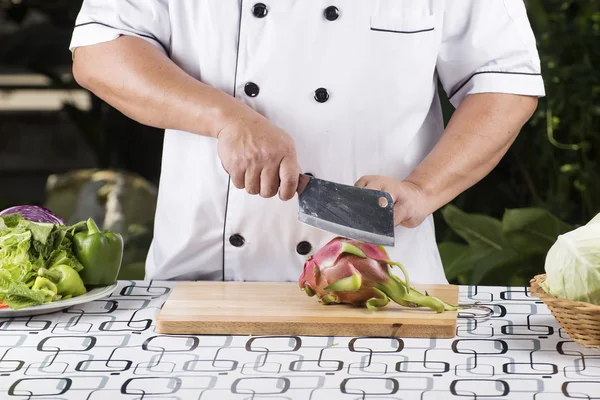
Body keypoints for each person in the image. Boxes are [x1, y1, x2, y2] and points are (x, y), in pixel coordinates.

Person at [69, 1, 544, 285]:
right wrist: (225, 117)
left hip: (385, 283)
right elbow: (101, 48)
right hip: (205, 283)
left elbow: (503, 80)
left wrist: (424, 188)